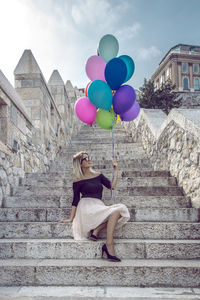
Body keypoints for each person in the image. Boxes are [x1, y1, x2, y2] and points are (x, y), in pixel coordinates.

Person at [59, 151, 130, 262]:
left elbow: (112, 187)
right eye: (86, 159)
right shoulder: (77, 180)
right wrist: (71, 218)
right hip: (85, 207)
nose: (90, 159)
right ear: (80, 164)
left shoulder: (98, 175)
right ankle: (109, 245)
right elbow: (75, 199)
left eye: (90, 157)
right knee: (117, 212)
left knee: (119, 212)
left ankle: (100, 234)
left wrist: (116, 170)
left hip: (98, 205)